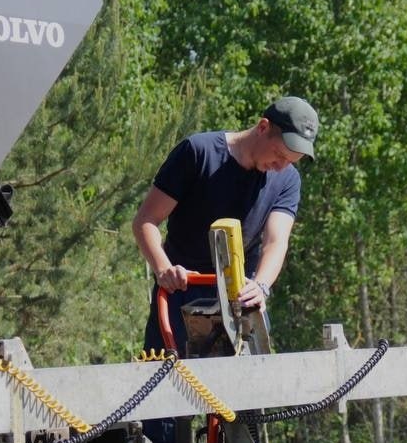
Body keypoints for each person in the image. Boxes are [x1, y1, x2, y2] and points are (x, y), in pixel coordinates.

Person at [132, 96, 320, 358]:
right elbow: (146, 221)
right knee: (169, 389)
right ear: (263, 127)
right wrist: (163, 270)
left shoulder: (287, 180)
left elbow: (276, 242)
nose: (281, 167)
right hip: (181, 293)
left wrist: (261, 286)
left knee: (241, 394)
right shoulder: (198, 152)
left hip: (239, 300)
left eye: (291, 161)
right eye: (279, 155)